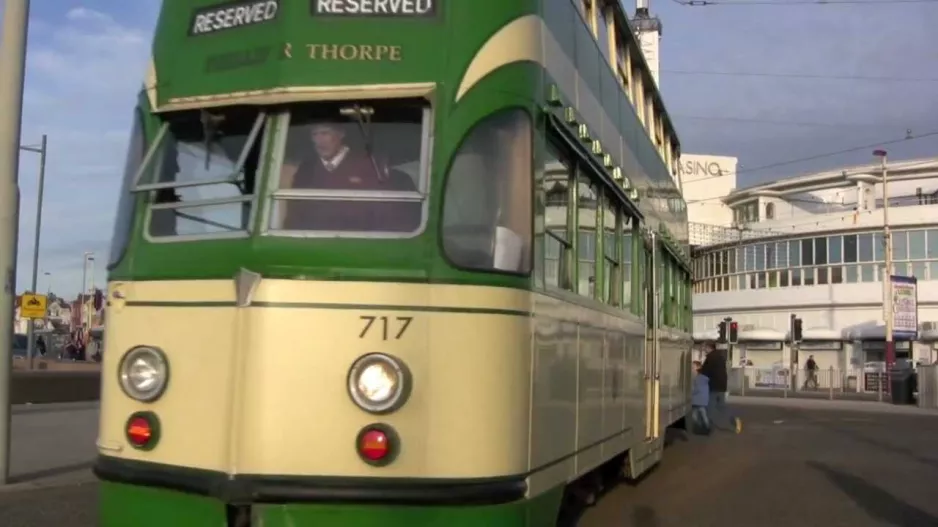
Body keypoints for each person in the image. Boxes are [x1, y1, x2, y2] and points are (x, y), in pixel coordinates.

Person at [283, 120, 419, 232]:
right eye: (315, 134)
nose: (319, 140)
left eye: (325, 133)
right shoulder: (306, 169)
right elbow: (295, 213)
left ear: (341, 134)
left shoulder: (370, 165)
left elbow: (388, 214)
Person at [698, 341, 742, 434]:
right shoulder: (720, 356)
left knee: (709, 408)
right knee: (722, 407)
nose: (704, 350)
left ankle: (708, 428)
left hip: (714, 386)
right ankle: (734, 420)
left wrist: (697, 369)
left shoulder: (710, 357)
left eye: (705, 348)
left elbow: (705, 371)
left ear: (709, 348)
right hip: (722, 386)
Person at [691, 360, 711, 435]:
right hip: (702, 400)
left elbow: (697, 389)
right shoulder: (705, 378)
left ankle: (698, 429)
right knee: (703, 415)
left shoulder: (698, 378)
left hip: (697, 400)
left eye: (693, 367)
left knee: (694, 416)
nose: (692, 369)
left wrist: (690, 393)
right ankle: (706, 429)